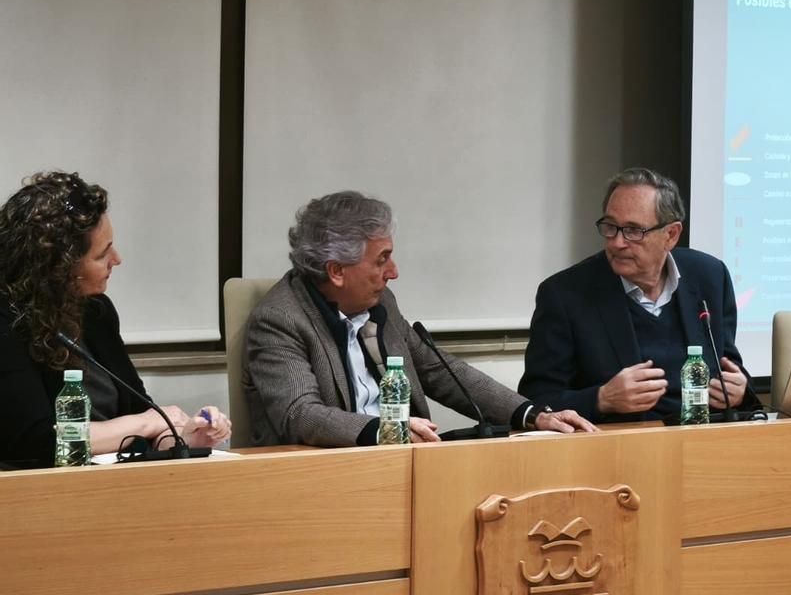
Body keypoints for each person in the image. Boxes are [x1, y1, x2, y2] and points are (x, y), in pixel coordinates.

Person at [243, 191, 595, 446]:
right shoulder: (280, 320)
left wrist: (533, 415)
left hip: (404, 464)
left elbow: (438, 370)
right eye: (382, 260)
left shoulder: (382, 303)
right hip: (327, 477)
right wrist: (383, 431)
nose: (393, 273)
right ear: (336, 271)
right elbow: (300, 415)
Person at [0, 172, 232, 466]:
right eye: (102, 255)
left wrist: (184, 436)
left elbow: (141, 414)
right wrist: (145, 424)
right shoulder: (8, 322)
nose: (117, 260)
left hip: (112, 481)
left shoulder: (96, 311)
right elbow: (36, 442)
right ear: (57, 268)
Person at [520, 167, 758, 423]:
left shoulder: (710, 276)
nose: (616, 242)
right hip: (621, 446)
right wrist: (602, 399)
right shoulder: (564, 295)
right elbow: (537, 399)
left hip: (702, 439)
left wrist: (738, 390)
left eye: (634, 231)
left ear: (671, 235)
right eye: (610, 226)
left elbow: (729, 367)